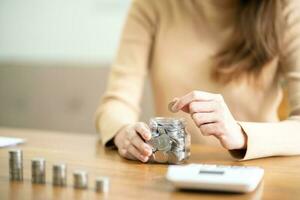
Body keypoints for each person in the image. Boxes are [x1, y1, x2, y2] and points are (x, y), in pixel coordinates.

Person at [95, 0, 300, 162]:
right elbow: (117, 100)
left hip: (260, 171)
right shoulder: (151, 4)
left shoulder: (286, 8)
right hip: (174, 173)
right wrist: (123, 132)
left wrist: (242, 135)